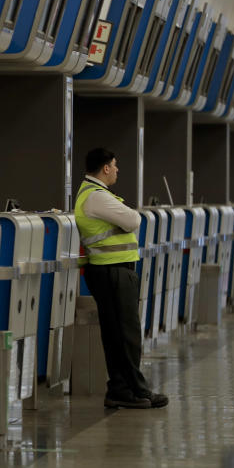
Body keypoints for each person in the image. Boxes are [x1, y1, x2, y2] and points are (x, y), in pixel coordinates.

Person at [76, 148, 168, 409]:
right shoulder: (96, 197)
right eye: (115, 165)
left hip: (110, 270)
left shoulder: (95, 195)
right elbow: (133, 219)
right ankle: (138, 390)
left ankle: (119, 388)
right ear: (105, 168)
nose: (117, 170)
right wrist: (128, 218)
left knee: (117, 334)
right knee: (127, 334)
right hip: (112, 270)